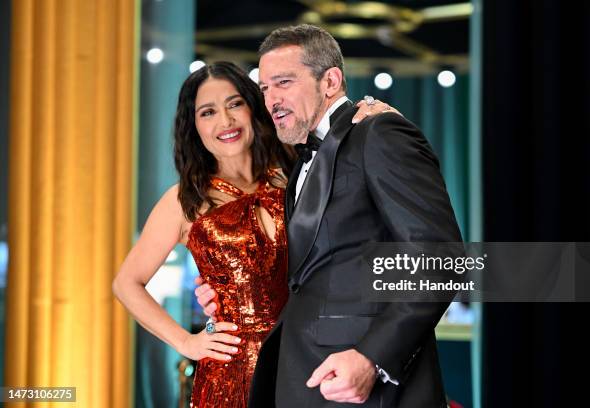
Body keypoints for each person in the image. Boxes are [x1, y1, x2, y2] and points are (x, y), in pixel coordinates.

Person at [196, 24, 463, 407]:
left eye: (284, 82)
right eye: (265, 88)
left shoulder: (378, 133)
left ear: (331, 81)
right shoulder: (300, 160)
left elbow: (439, 258)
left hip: (366, 389)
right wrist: (229, 286)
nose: (271, 99)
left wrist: (372, 357)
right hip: (299, 378)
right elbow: (310, 271)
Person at [112, 61, 399, 408]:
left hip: (310, 354)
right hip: (230, 373)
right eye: (208, 112)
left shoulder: (296, 172)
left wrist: (374, 110)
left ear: (253, 108)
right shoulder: (183, 200)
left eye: (235, 104)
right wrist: (186, 342)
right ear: (194, 127)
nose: (226, 121)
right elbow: (126, 283)